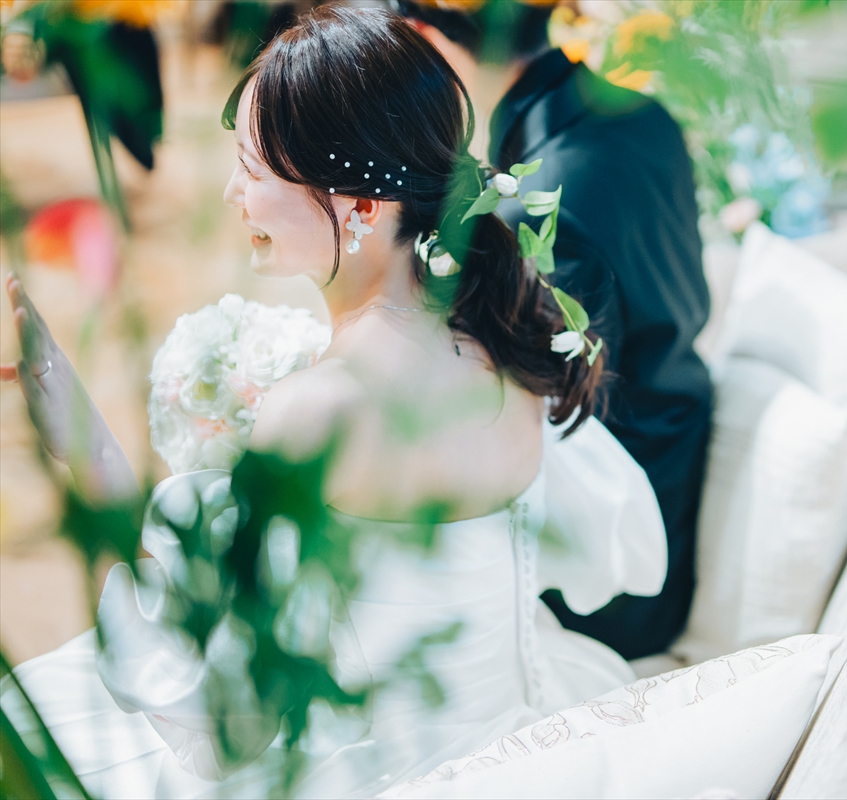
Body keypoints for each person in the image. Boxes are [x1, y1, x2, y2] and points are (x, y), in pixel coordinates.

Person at [0, 7, 666, 797]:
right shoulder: (512, 347)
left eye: (252, 170)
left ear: (362, 205)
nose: (232, 193)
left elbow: (227, 721)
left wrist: (81, 452)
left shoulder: (322, 410)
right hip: (517, 738)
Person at [399, 0, 714, 660]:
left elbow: (544, 419)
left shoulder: (541, 206)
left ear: (424, 37)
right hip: (672, 450)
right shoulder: (644, 117)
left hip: (616, 568)